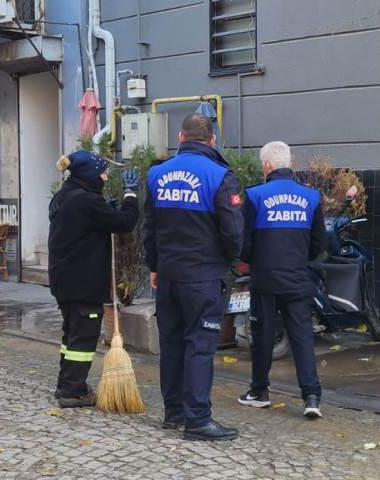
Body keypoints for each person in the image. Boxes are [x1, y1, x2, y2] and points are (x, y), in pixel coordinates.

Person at [144, 114, 244, 441]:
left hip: (169, 276)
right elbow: (232, 231)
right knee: (199, 346)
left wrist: (155, 267)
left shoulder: (156, 174)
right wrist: (230, 263)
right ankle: (198, 420)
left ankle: (173, 413)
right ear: (211, 140)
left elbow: (151, 228)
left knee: (172, 345)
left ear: (180, 136)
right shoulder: (219, 176)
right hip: (203, 277)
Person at [238, 141, 326, 418]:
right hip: (298, 278)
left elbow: (245, 243)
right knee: (302, 337)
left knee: (262, 337)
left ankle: (259, 391)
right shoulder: (311, 197)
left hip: (264, 279)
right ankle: (311, 396)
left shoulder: (254, 196)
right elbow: (319, 243)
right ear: (291, 163)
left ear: (266, 166)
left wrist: (253, 261)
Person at [48, 150, 140, 408]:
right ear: (90, 174)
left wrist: (104, 210)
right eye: (102, 172)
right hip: (83, 282)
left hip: (64, 279)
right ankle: (73, 392)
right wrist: (130, 194)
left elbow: (84, 225)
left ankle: (65, 384)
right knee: (83, 338)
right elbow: (125, 223)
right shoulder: (87, 201)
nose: (106, 175)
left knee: (71, 334)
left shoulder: (64, 195)